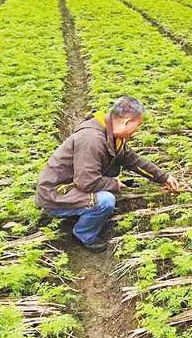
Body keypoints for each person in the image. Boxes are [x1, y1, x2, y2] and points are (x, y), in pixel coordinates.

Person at [35, 96, 179, 252]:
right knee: (106, 201)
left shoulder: (110, 134)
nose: (135, 133)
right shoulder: (92, 140)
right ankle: (84, 234)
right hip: (55, 195)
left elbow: (133, 160)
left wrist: (164, 177)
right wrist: (114, 184)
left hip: (71, 186)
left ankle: (80, 211)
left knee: (109, 184)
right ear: (126, 122)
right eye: (136, 127)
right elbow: (87, 183)